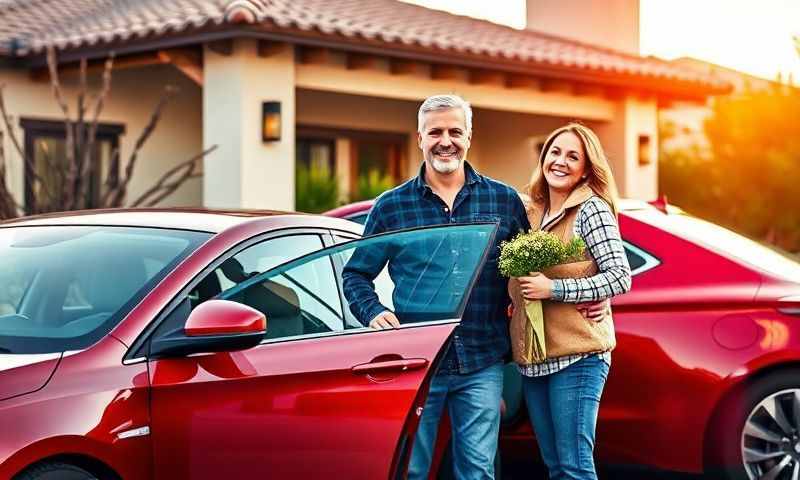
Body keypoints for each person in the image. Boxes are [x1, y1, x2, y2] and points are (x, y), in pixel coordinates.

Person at [342, 94, 530, 479]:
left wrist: (579, 295)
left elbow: (525, 271)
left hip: (482, 359)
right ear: (420, 139)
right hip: (417, 361)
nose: (446, 141)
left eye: (455, 131)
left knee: (477, 472)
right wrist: (374, 312)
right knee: (412, 470)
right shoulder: (392, 206)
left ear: (469, 137)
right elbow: (355, 274)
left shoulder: (504, 200)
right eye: (436, 132)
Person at [512, 123, 632, 480]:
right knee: (555, 466)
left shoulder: (590, 210)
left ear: (585, 168)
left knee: (574, 467)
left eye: (572, 156)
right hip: (535, 361)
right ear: (544, 157)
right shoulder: (531, 211)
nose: (560, 162)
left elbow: (619, 276)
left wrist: (556, 290)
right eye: (555, 152)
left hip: (578, 357)